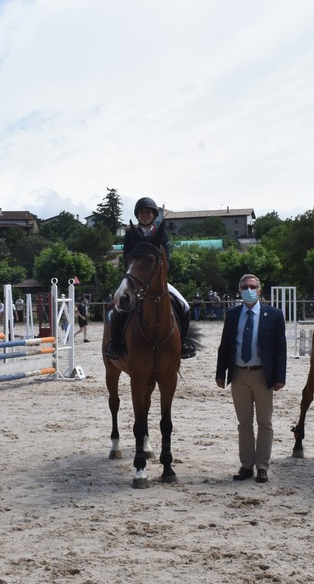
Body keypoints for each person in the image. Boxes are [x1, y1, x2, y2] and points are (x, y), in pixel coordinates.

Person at [215, 273, 286, 483]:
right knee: (244, 423)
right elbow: (224, 345)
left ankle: (262, 466)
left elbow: (280, 348)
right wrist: (220, 373)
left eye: (253, 286)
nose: (249, 290)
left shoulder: (274, 315)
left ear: (259, 290)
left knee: (265, 422)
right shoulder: (233, 314)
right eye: (245, 286)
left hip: (262, 374)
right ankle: (246, 465)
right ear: (239, 290)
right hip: (238, 374)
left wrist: (280, 376)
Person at [105, 197, 196, 360]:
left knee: (184, 305)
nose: (145, 215)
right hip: (135, 279)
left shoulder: (161, 235)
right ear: (137, 215)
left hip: (157, 278)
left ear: (154, 214)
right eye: (142, 212)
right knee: (118, 307)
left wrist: (161, 272)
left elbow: (167, 259)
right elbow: (127, 258)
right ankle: (115, 343)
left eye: (148, 212)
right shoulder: (130, 235)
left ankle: (183, 342)